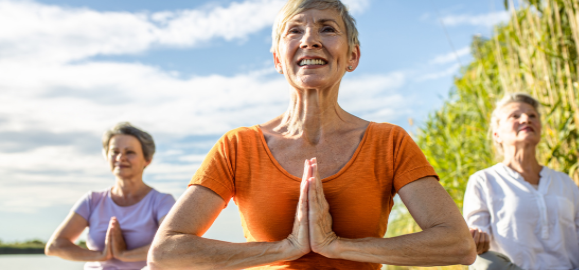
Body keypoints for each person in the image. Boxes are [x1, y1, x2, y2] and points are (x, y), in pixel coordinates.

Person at [147, 0, 476, 269]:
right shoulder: (237, 147)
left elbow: (457, 244)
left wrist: (336, 246)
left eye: (328, 29)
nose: (310, 40)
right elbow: (166, 251)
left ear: (352, 56)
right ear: (278, 59)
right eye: (295, 31)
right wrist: (284, 249)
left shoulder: (389, 143)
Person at [463, 93, 579, 270]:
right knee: (484, 263)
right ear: (497, 134)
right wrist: (477, 241)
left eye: (532, 115)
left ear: (539, 127)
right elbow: (475, 244)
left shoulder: (564, 182)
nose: (526, 119)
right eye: (515, 116)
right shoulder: (483, 181)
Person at [45, 122, 176, 270]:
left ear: (147, 159)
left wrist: (125, 255)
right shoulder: (92, 200)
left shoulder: (162, 202)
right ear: (107, 157)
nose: (121, 157)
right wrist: (101, 256)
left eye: (130, 152)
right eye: (115, 151)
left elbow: (173, 245)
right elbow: (55, 246)